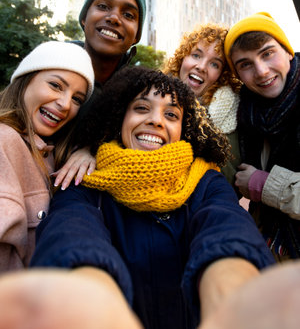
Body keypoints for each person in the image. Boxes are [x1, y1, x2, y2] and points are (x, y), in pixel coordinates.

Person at [30, 66, 274, 329]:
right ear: (119, 117)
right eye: (142, 108)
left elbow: (227, 223)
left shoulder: (206, 182)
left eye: (171, 114)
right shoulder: (84, 181)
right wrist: (90, 294)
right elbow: (70, 231)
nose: (156, 120)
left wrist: (231, 283)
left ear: (184, 128)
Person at [0, 41, 94, 272]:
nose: (65, 104)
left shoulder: (51, 154)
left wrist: (88, 152)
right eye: (55, 85)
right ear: (25, 80)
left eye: (76, 99)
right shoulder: (5, 141)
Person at [53, 0, 147, 189]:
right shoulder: (49, 68)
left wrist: (94, 151)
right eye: (103, 6)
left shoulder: (139, 92)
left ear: (136, 36)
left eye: (129, 15)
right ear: (84, 17)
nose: (114, 18)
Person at [224, 11, 300, 260]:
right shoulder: (247, 114)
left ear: (288, 51)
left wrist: (265, 184)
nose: (261, 71)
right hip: (271, 251)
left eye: (268, 53)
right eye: (245, 64)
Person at [163, 23, 241, 186]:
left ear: (222, 75)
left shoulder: (227, 117)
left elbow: (228, 181)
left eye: (215, 64)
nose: (201, 67)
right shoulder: (152, 92)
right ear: (182, 57)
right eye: (196, 55)